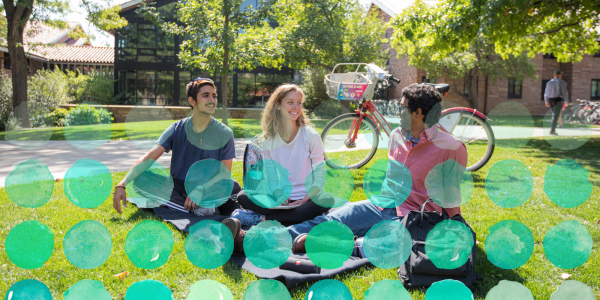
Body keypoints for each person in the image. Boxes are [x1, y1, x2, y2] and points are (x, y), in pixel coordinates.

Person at [223, 83, 468, 254]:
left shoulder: (451, 148)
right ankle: (249, 239)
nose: (397, 111)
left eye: (402, 107)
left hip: (413, 219)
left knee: (377, 245)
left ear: (417, 113)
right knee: (325, 221)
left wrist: (456, 229)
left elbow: (450, 200)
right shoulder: (396, 136)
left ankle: (330, 244)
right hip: (381, 204)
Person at [112, 78, 241, 217]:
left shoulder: (225, 133)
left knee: (233, 186)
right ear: (192, 101)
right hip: (178, 187)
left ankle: (190, 205)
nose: (212, 99)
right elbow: (148, 158)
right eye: (205, 95)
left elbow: (224, 173)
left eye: (214, 95)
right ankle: (198, 207)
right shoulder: (176, 128)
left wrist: (201, 189)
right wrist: (121, 185)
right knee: (140, 179)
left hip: (208, 187)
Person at [232, 84, 329, 226]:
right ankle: (295, 218)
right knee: (243, 196)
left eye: (299, 103)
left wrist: (304, 200)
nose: (296, 107)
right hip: (281, 200)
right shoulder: (268, 140)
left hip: (308, 198)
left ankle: (262, 219)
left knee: (326, 200)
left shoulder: (310, 135)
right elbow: (272, 177)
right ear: (277, 106)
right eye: (290, 102)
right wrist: (278, 195)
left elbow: (320, 176)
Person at [544, 70, 569, 135]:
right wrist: (566, 101)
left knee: (554, 114)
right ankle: (552, 130)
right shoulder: (562, 82)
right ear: (560, 75)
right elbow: (564, 92)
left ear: (554, 75)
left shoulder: (549, 82)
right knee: (555, 115)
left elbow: (546, 93)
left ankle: (552, 129)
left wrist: (546, 100)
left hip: (550, 99)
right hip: (558, 99)